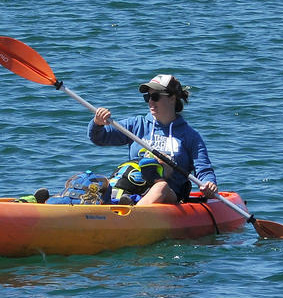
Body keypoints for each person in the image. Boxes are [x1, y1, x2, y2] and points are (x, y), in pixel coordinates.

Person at [90, 74, 218, 206]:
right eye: (148, 97)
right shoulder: (136, 125)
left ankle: (130, 217)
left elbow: (204, 171)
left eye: (155, 97)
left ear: (172, 98)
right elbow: (99, 137)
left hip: (169, 196)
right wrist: (97, 122)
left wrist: (209, 184)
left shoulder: (191, 137)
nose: (151, 101)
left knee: (160, 187)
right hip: (134, 187)